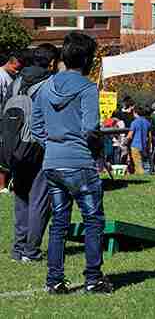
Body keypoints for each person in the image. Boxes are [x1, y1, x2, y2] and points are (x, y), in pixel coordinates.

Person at [31, 32, 112, 294]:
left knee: (59, 224)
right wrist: (92, 146)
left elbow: (36, 127)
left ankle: (54, 280)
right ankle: (93, 278)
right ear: (88, 59)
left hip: (52, 163)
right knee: (93, 220)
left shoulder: (45, 87)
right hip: (80, 162)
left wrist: (53, 146)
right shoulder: (87, 88)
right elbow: (90, 128)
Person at [8, 44, 58, 262]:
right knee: (39, 199)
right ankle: (31, 251)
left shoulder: (16, 81)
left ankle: (18, 249)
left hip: (16, 146)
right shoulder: (50, 83)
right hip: (39, 146)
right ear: (52, 62)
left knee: (21, 198)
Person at [0, 51, 25, 194]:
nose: (17, 71)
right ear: (9, 62)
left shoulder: (11, 76)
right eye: (16, 67)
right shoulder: (1, 76)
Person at [127, 105, 152, 175]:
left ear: (135, 113)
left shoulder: (134, 122)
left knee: (138, 165)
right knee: (145, 163)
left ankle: (142, 177)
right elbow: (149, 136)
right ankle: (147, 174)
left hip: (135, 146)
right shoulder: (147, 122)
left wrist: (125, 141)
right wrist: (149, 146)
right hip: (144, 146)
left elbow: (130, 135)